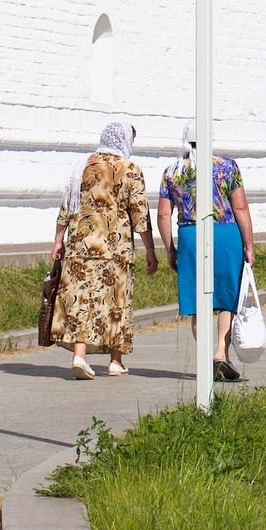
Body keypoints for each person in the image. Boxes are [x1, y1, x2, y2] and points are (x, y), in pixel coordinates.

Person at [51, 121, 159, 380]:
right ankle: (115, 361)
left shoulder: (82, 166)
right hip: (115, 250)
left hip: (80, 245)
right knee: (115, 302)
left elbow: (67, 205)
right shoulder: (130, 169)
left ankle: (80, 355)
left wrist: (58, 240)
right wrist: (151, 250)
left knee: (81, 298)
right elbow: (139, 215)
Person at [160, 121, 256, 384]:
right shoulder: (227, 166)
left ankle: (206, 359)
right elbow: (241, 209)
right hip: (225, 234)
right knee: (227, 298)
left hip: (191, 235)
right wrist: (249, 245)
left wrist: (170, 249)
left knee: (196, 302)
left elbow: (164, 214)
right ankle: (220, 354)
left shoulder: (172, 171)